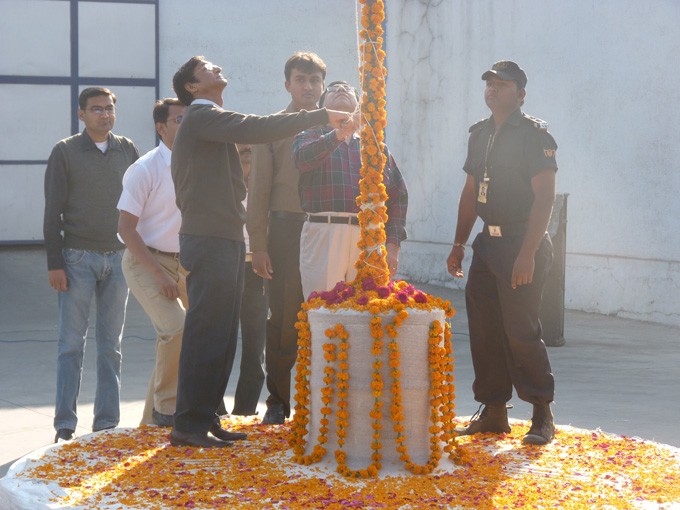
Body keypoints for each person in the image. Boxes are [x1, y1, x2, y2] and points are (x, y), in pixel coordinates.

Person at [169, 55, 355, 448]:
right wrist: (322, 117)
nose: (217, 68)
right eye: (207, 68)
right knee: (207, 331)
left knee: (221, 333)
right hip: (209, 237)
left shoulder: (212, 119)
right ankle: (188, 423)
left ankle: (205, 417)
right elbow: (259, 128)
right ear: (192, 86)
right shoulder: (201, 116)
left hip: (226, 237)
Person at [446, 61, 558, 445]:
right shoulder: (479, 134)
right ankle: (494, 411)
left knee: (521, 330)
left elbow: (545, 197)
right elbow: (470, 192)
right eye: (490, 83)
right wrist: (459, 244)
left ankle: (542, 413)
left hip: (520, 243)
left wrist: (527, 252)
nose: (493, 89)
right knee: (485, 329)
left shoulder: (533, 136)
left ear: (521, 94)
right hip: (487, 245)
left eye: (502, 84)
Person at [44, 87, 139, 442]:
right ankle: (65, 425)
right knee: (71, 344)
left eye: (110, 108)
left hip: (118, 260)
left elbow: (140, 201)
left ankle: (106, 424)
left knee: (111, 346)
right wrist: (55, 263)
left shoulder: (127, 149)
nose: (105, 114)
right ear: (81, 113)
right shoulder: (65, 152)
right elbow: (52, 210)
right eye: (97, 109)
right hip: (77, 260)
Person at [246, 52, 326, 425]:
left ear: (322, 85)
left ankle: (327, 399)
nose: (308, 87)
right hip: (286, 230)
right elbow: (258, 188)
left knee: (329, 313)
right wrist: (258, 245)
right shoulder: (272, 127)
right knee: (283, 317)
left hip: (330, 231)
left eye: (314, 80)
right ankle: (278, 398)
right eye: (300, 80)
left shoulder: (338, 124)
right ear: (287, 85)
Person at [293, 81, 408, 299]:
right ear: (322, 105)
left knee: (366, 309)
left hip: (368, 237)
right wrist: (341, 132)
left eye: (347, 89)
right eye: (334, 89)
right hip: (324, 233)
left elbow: (398, 197)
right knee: (322, 308)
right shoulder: (310, 135)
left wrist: (392, 246)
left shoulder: (375, 147)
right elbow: (302, 159)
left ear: (359, 104)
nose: (341, 90)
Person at [117, 98, 186, 428]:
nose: (187, 126)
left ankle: (150, 423)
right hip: (145, 261)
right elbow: (125, 229)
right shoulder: (145, 168)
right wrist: (158, 273)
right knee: (176, 328)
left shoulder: (196, 164)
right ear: (162, 128)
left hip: (184, 262)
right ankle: (167, 409)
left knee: (183, 338)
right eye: (179, 120)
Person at [232, 143, 267, 416]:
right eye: (242, 153)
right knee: (220, 342)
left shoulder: (267, 189)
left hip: (257, 271)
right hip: (226, 268)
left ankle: (245, 410)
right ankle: (214, 409)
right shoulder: (222, 185)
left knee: (255, 345)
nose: (247, 159)